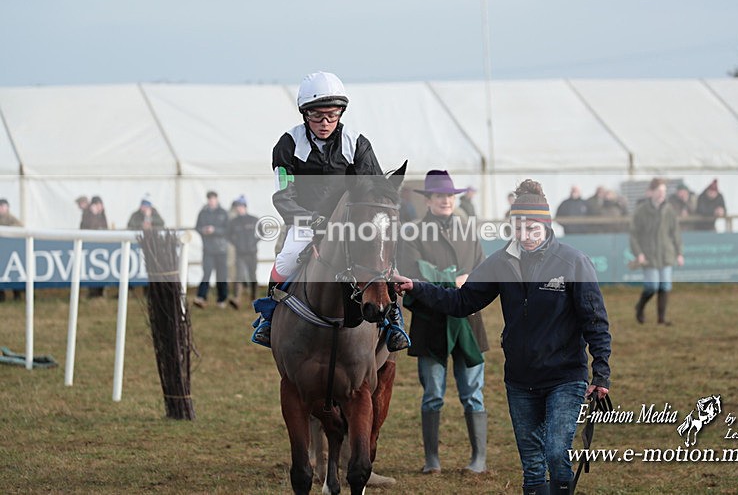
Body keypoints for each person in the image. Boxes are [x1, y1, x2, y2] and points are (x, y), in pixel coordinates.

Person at [394, 180, 611, 495]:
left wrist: (601, 371)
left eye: (532, 228)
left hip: (565, 377)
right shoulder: (500, 262)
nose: (525, 236)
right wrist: (418, 287)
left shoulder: (573, 262)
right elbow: (461, 302)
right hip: (520, 381)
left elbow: (595, 321)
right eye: (518, 228)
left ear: (546, 225)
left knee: (554, 452)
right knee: (533, 467)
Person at [252, 71, 408, 351]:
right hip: (305, 220)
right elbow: (283, 196)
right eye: (317, 116)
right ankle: (269, 317)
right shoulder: (288, 144)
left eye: (332, 115)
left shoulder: (356, 142)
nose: (325, 123)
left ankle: (393, 320)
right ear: (304, 114)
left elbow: (374, 189)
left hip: (348, 223)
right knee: (286, 261)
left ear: (341, 113)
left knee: (381, 257)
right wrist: (311, 221)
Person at [398, 170, 489, 475]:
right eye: (440, 196)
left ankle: (479, 458)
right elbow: (413, 278)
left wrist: (456, 280)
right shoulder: (412, 233)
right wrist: (454, 280)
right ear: (428, 200)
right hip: (431, 323)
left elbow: (481, 273)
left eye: (450, 196)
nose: (446, 201)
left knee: (472, 393)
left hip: (468, 322)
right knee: (433, 393)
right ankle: (432, 459)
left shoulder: (468, 230)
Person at [630, 178, 684, 325]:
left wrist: (679, 253)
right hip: (649, 256)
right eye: (659, 191)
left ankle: (661, 319)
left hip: (666, 254)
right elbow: (634, 235)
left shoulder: (670, 210)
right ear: (651, 192)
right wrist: (639, 253)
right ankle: (640, 307)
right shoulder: (641, 211)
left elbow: (676, 233)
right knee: (652, 286)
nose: (662, 194)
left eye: (664, 191)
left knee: (665, 286)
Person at [193, 191, 229, 309]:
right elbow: (197, 227)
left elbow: (228, 229)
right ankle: (201, 297)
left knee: (221, 276)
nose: (211, 201)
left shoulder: (223, 213)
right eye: (210, 199)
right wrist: (203, 230)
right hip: (208, 249)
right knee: (206, 273)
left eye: (213, 199)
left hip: (221, 250)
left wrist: (215, 230)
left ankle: (222, 299)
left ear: (217, 199)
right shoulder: (203, 213)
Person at [226, 195, 260, 308]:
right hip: (240, 253)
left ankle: (254, 298)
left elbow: (262, 232)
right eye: (237, 206)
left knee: (252, 275)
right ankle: (237, 299)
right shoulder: (234, 222)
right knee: (239, 276)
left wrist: (254, 242)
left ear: (245, 207)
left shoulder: (253, 219)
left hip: (252, 252)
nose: (238, 208)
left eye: (240, 206)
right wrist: (236, 244)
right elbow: (228, 235)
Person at [81, 196, 108, 298]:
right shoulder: (87, 214)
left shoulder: (102, 215)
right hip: (90, 247)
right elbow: (88, 228)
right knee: (92, 271)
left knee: (101, 271)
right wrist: (93, 215)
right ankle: (92, 293)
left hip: (101, 247)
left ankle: (100, 292)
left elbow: (105, 227)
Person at [0, 198, 24, 302]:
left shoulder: (11, 219)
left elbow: (20, 227)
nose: (1, 209)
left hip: (10, 250)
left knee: (13, 273)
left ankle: (17, 294)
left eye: (2, 206)